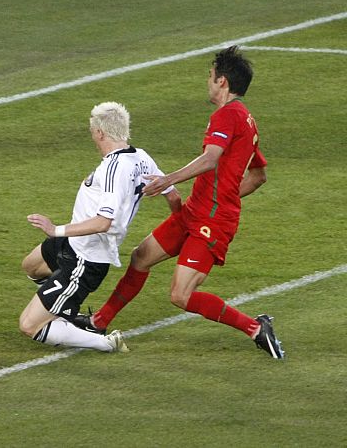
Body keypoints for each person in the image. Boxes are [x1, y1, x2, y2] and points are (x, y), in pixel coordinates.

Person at [73, 46, 284, 359]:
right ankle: (98, 321)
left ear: (223, 81)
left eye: (211, 77)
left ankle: (255, 328)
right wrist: (220, 197)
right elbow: (258, 176)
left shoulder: (227, 116)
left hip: (212, 223)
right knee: (141, 257)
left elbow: (211, 159)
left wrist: (170, 179)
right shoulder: (246, 119)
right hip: (195, 213)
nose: (208, 82)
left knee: (180, 295)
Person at [18, 101, 181, 353]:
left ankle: (104, 342)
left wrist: (55, 230)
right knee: (31, 266)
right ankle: (61, 307)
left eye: (92, 129)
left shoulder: (113, 169)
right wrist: (180, 226)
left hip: (85, 258)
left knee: (29, 325)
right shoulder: (141, 158)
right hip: (74, 242)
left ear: (100, 133)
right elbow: (173, 196)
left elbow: (104, 222)